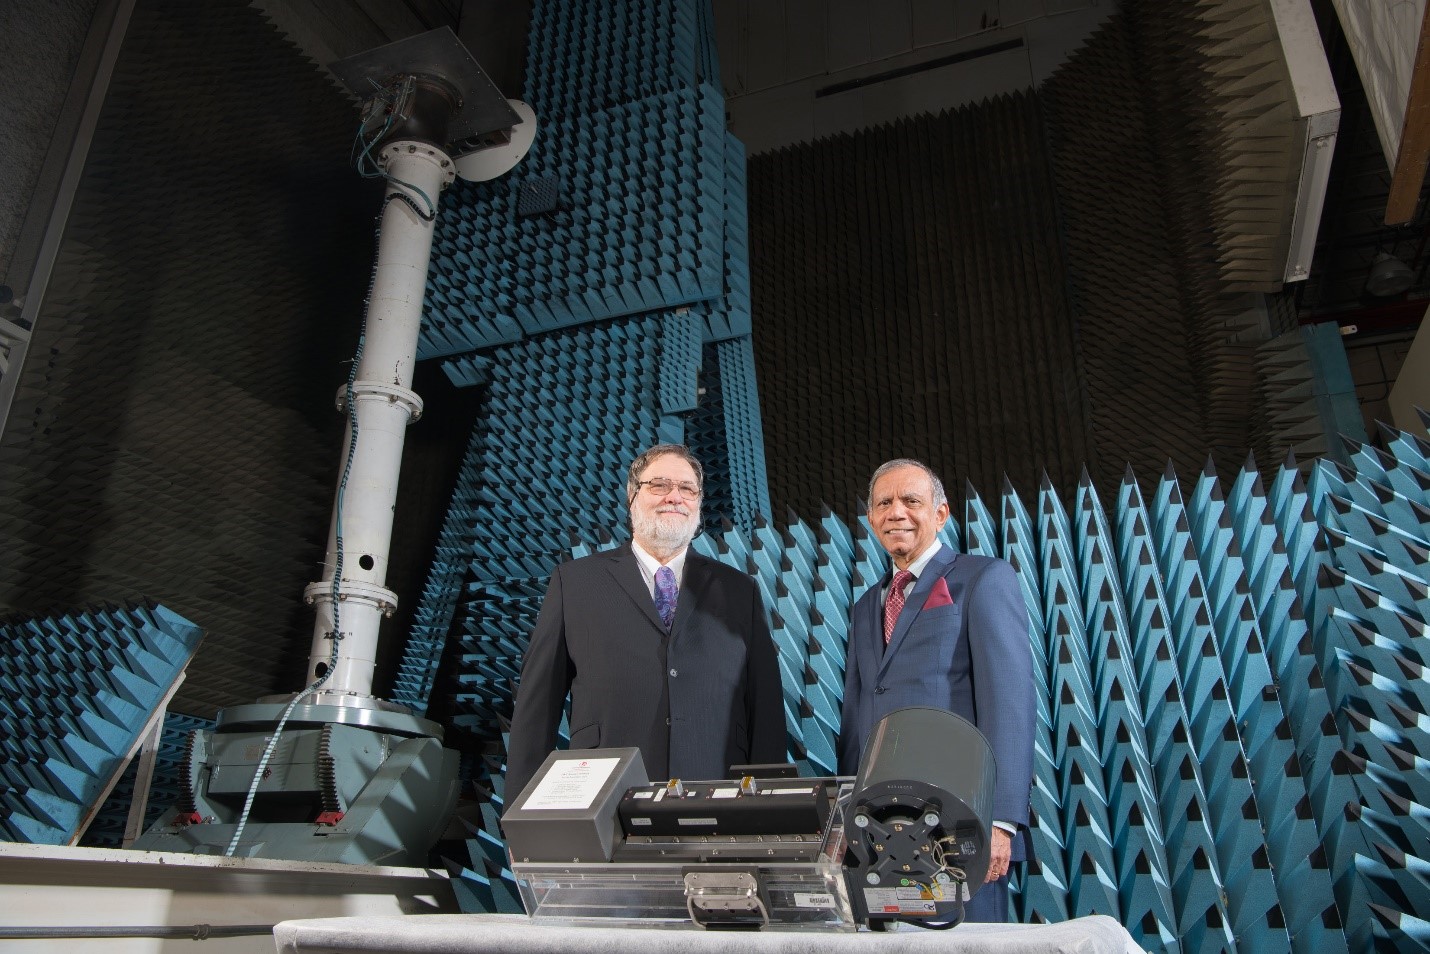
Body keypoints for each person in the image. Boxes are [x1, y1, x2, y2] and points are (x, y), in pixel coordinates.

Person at [504, 444, 787, 805]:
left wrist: (771, 810)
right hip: (605, 800)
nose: (675, 497)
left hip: (717, 799)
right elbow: (536, 709)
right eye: (659, 485)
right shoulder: (574, 582)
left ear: (698, 504)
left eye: (687, 489)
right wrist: (522, 817)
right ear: (632, 495)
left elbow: (765, 712)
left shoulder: (739, 589)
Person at [839, 458, 1034, 923]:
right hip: (879, 828)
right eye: (884, 503)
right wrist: (847, 815)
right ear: (871, 519)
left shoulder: (984, 578)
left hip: (958, 823)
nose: (896, 512)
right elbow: (856, 712)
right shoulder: (867, 605)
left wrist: (1001, 823)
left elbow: (1009, 704)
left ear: (941, 514)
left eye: (911, 500)